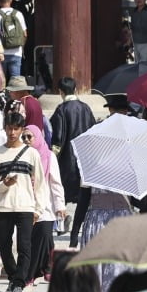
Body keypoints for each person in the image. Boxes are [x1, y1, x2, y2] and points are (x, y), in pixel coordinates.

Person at [0, 112, 46, 292]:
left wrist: (38, 209)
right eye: (9, 128)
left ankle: (19, 284)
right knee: (3, 244)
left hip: (25, 206)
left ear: (21, 130)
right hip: (4, 206)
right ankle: (14, 278)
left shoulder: (31, 153)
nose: (12, 132)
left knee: (24, 246)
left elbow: (40, 183)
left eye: (16, 128)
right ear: (4, 128)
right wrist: (4, 184)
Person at [49, 77, 96, 247]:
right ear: (76, 89)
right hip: (85, 158)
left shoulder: (61, 110)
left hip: (67, 159)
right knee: (84, 196)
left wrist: (53, 155)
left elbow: (58, 137)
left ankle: (63, 223)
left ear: (61, 92)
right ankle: (79, 227)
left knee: (63, 194)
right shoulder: (86, 108)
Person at [22, 124, 66, 284]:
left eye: (29, 137)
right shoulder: (22, 155)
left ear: (38, 137)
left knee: (44, 236)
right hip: (26, 203)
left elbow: (55, 182)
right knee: (33, 240)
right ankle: (47, 267)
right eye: (24, 137)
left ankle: (32, 273)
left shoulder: (49, 156)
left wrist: (60, 205)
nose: (26, 140)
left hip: (46, 205)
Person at [0, 0, 27, 81]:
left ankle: (2, 94)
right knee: (15, 81)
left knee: (0, 81)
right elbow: (25, 34)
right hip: (16, 52)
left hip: (0, 53)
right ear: (11, 0)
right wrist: (21, 47)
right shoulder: (18, 14)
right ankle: (14, 95)